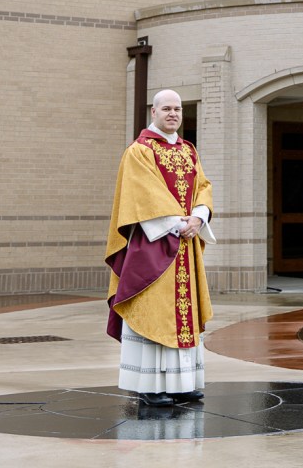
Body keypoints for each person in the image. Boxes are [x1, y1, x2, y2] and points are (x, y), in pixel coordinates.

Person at [105, 89, 215, 407]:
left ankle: (182, 383)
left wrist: (199, 216)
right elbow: (143, 194)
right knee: (153, 312)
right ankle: (149, 386)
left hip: (185, 246)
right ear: (153, 112)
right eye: (166, 108)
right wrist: (178, 223)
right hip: (153, 245)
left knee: (183, 314)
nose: (173, 114)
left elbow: (203, 186)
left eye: (177, 109)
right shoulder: (139, 151)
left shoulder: (188, 150)